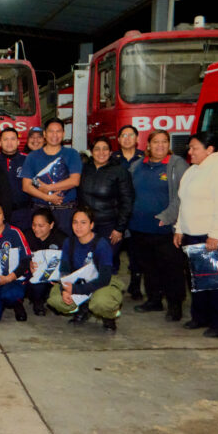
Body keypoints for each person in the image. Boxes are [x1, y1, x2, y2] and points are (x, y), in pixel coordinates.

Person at [174, 132, 218, 337]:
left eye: (194, 148)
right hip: (193, 233)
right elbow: (184, 202)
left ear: (210, 149)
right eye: (189, 148)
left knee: (217, 281)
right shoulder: (194, 170)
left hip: (214, 233)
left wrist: (216, 235)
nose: (190, 152)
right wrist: (180, 228)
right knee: (198, 280)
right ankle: (201, 317)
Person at [128, 129, 188, 321]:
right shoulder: (137, 166)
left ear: (168, 145)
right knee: (149, 268)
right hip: (139, 228)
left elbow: (184, 195)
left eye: (164, 142)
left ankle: (175, 305)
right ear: (148, 145)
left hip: (165, 230)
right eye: (156, 142)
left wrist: (168, 216)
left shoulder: (176, 164)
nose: (160, 146)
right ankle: (154, 300)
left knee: (171, 270)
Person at [47, 206, 124, 332]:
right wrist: (64, 289)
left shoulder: (101, 245)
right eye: (75, 222)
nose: (78, 227)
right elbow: (64, 270)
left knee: (101, 303)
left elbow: (104, 279)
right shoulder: (69, 242)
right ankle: (83, 308)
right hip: (79, 281)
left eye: (83, 223)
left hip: (101, 283)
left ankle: (109, 315)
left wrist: (76, 289)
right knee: (55, 299)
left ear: (91, 225)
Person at [78, 137, 133, 268]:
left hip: (109, 227)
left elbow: (127, 201)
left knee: (105, 262)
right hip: (88, 226)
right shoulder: (84, 169)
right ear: (91, 152)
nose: (101, 152)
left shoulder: (119, 171)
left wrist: (119, 229)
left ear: (110, 152)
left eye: (105, 149)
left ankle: (109, 288)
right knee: (87, 264)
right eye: (97, 149)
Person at [22, 118, 82, 236]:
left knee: (66, 248)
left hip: (66, 212)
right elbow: (26, 186)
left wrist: (49, 188)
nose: (55, 135)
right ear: (44, 134)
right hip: (40, 213)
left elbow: (75, 181)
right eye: (51, 131)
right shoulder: (32, 157)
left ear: (63, 134)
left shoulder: (72, 154)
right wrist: (47, 197)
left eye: (58, 131)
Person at [110, 125, 145, 298]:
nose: (127, 138)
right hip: (116, 212)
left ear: (137, 139)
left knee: (136, 252)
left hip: (137, 212)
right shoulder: (112, 159)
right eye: (123, 135)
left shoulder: (145, 159)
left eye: (131, 135)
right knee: (113, 250)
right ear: (118, 140)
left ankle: (135, 285)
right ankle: (112, 285)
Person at [23, 207, 67, 316]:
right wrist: (28, 264)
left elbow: (69, 263)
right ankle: (37, 302)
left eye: (41, 226)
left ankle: (54, 301)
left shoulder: (62, 239)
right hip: (35, 277)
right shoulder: (27, 236)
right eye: (34, 225)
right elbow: (19, 259)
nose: (36, 229)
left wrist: (60, 278)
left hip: (55, 279)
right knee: (36, 285)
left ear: (51, 225)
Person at [0, 128, 31, 230]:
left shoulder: (28, 160)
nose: (9, 142)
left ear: (18, 142)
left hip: (23, 213)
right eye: (5, 139)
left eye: (12, 139)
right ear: (0, 143)